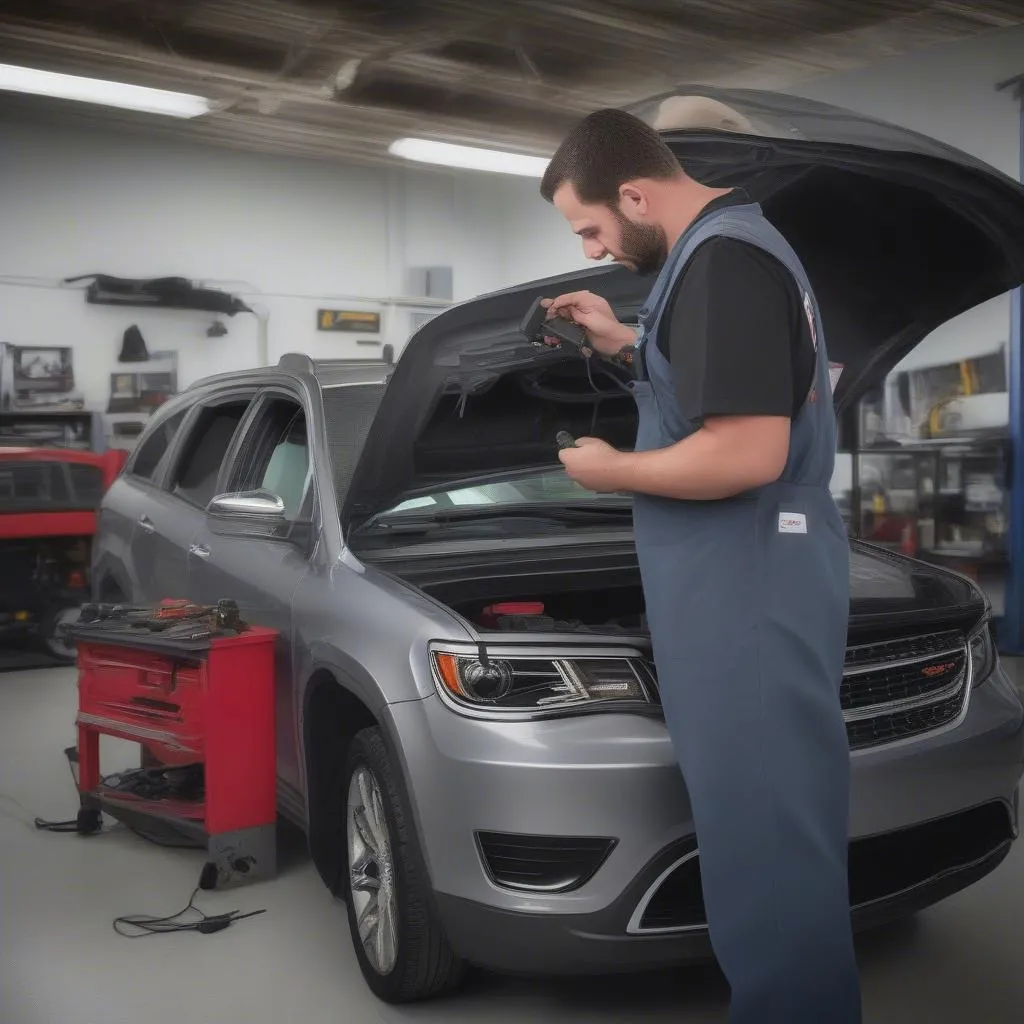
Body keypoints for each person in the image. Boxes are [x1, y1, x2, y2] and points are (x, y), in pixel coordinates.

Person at [539, 107, 862, 1024]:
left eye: (592, 227)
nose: (595, 248)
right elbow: (716, 387)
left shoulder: (723, 261)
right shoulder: (722, 252)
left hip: (748, 586)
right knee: (761, 834)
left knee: (765, 846)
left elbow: (745, 453)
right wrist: (620, 340)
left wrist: (611, 473)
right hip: (745, 582)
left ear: (636, 194)